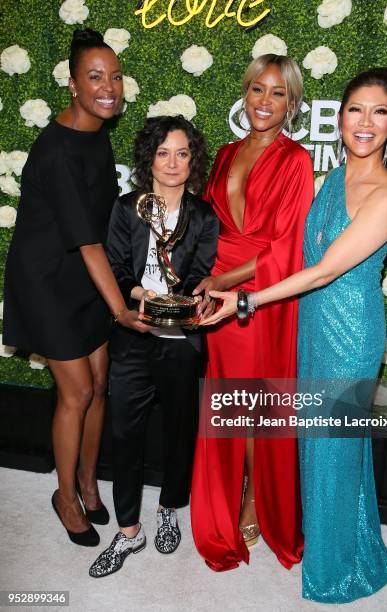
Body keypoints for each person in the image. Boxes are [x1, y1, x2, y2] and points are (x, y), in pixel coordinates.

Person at [201, 67, 387, 602]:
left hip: (349, 334)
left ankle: (336, 572)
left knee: (333, 450)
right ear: (339, 118)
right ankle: (348, 543)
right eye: (355, 109)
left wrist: (245, 299)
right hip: (311, 324)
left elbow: (322, 270)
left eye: (378, 112)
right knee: (325, 448)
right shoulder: (337, 176)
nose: (365, 123)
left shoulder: (385, 195)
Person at [3, 29, 149, 547]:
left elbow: (102, 224)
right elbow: (87, 243)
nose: (108, 87)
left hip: (86, 274)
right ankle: (64, 496)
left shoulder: (96, 132)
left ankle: (88, 481)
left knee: (101, 379)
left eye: (114, 76)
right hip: (48, 280)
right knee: (78, 390)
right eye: (95, 77)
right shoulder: (59, 150)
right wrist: (125, 307)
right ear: (72, 85)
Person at [190, 54, 314, 571]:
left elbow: (287, 250)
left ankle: (254, 500)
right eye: (258, 89)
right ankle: (228, 495)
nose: (265, 102)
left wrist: (223, 283)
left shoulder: (296, 161)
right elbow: (210, 229)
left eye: (278, 93)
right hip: (216, 294)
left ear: (292, 104)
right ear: (245, 93)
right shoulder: (223, 154)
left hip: (261, 295)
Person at [88, 116, 219, 578]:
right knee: (125, 432)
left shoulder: (203, 216)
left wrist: (179, 300)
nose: (172, 163)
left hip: (182, 341)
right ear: (149, 159)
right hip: (131, 337)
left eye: (182, 153)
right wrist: (141, 298)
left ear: (192, 161)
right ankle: (128, 530)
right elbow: (118, 268)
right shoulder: (126, 208)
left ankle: (169, 507)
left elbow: (201, 269)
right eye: (163, 153)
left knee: (180, 430)